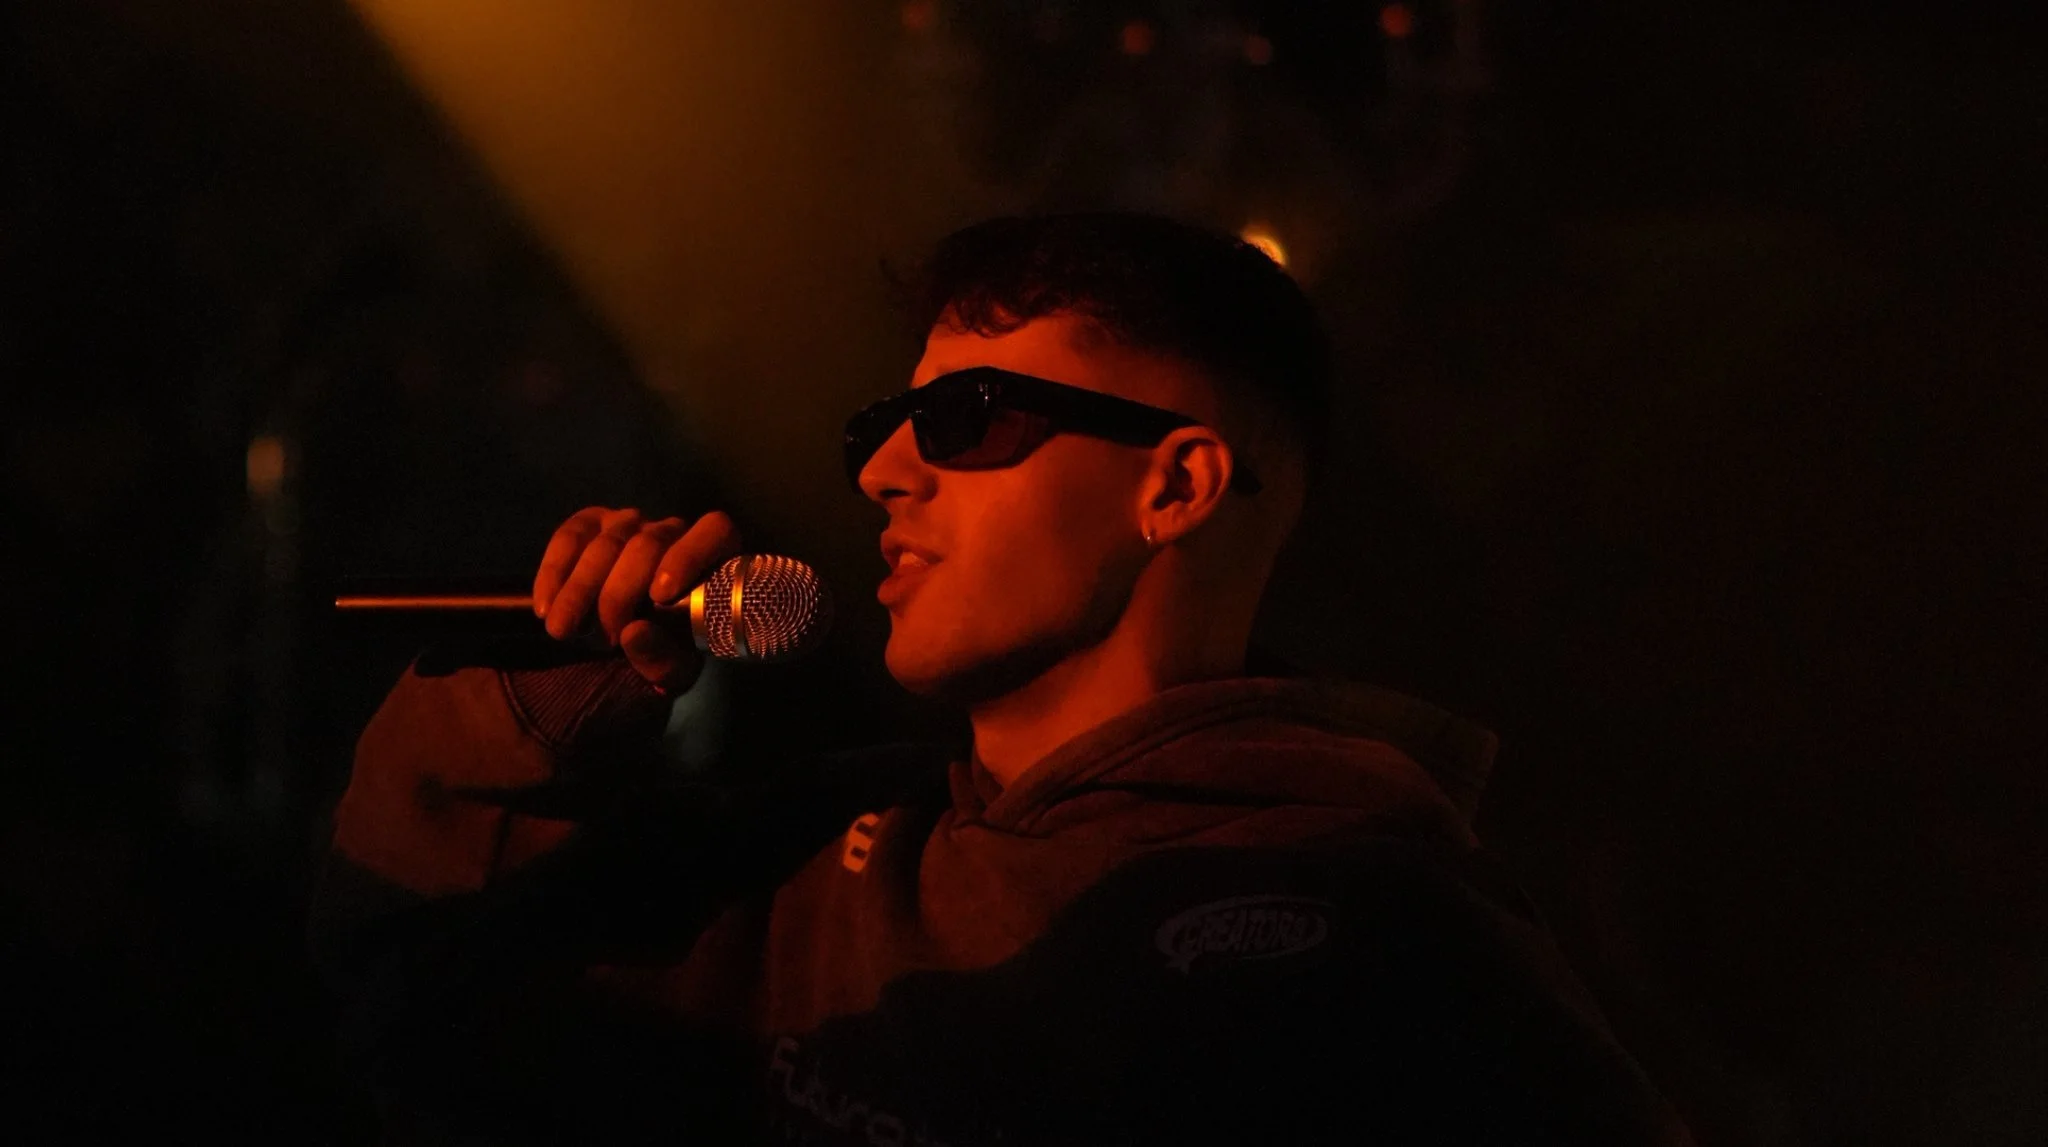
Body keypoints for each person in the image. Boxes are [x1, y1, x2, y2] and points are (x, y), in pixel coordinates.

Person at [313, 212, 1695, 1145]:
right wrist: (545, 701)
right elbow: (402, 1010)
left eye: (965, 417)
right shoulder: (812, 847)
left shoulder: (1384, 941)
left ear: (1176, 483)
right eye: (887, 421)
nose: (881, 470)